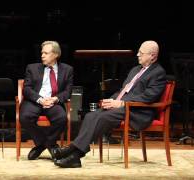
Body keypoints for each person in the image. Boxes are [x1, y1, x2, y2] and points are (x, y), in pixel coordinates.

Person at [53, 40, 166, 168]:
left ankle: (74, 152)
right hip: (124, 107)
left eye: (141, 53)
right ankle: (75, 155)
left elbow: (149, 96)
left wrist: (121, 103)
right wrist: (111, 101)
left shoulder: (158, 73)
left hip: (138, 111)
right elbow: (123, 90)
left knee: (101, 118)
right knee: (91, 116)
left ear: (152, 55)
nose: (138, 55)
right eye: (138, 52)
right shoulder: (135, 70)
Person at [20, 41, 73, 161]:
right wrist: (40, 100)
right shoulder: (32, 68)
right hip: (35, 101)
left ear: (55, 55)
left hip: (53, 101)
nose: (42, 55)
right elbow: (27, 89)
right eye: (41, 53)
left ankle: (40, 146)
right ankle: (50, 145)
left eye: (46, 53)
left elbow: (67, 91)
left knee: (62, 118)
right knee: (25, 117)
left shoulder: (67, 70)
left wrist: (55, 99)